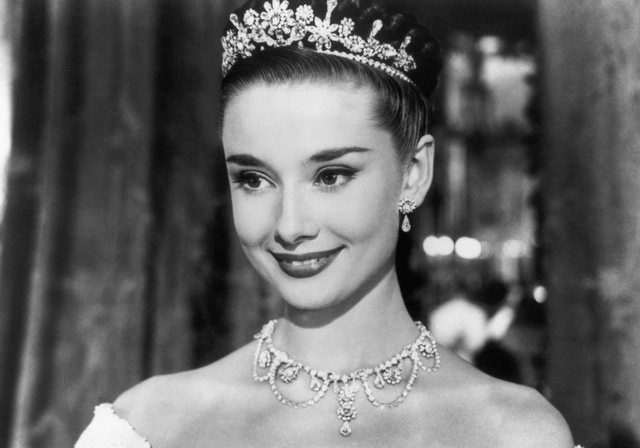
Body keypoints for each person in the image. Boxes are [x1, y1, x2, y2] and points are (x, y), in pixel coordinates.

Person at [75, 0, 582, 446]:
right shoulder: (147, 426)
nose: (289, 226)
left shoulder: (517, 433)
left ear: (413, 174)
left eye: (331, 175)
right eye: (253, 179)